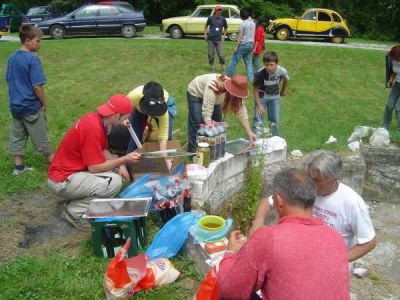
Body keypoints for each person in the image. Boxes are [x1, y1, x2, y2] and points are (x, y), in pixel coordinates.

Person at [219, 168, 350, 300]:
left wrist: (231, 253)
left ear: (279, 201)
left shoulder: (268, 238)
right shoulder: (336, 238)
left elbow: (230, 290)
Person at [48, 94, 142, 229]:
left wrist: (120, 165)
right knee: (114, 182)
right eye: (126, 116)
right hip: (62, 180)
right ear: (116, 116)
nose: (127, 120)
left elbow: (103, 150)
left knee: (113, 171)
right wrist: (125, 159)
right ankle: (74, 212)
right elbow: (94, 168)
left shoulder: (97, 120)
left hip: (67, 174)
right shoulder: (93, 128)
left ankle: (77, 198)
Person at [304, 150, 377, 261]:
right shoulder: (306, 189)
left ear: (334, 178)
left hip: (331, 266)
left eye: (317, 180)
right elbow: (271, 201)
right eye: (309, 177)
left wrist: (338, 261)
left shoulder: (352, 202)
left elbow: (369, 242)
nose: (311, 183)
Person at [6, 25, 53, 176]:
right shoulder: (33, 59)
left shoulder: (12, 57)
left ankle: (18, 168)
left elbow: (9, 79)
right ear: (27, 41)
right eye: (37, 41)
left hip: (16, 105)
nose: (40, 44)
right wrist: (44, 103)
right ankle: (54, 163)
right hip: (30, 106)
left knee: (18, 134)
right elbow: (37, 86)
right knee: (41, 134)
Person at [187, 73, 256, 153]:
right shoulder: (214, 85)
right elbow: (207, 113)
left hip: (215, 99)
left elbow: (242, 111)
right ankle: (194, 152)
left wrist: (249, 132)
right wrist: (209, 127)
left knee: (217, 124)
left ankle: (213, 151)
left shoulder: (236, 92)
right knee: (197, 122)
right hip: (196, 92)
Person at [120, 81, 176, 153]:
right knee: (136, 133)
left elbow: (163, 137)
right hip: (139, 107)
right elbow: (122, 109)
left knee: (168, 137)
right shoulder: (134, 96)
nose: (152, 114)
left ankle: (167, 159)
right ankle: (130, 159)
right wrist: (124, 119)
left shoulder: (163, 112)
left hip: (165, 104)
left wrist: (163, 157)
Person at [252, 51, 289, 137]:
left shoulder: (282, 71)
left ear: (276, 64)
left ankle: (274, 141)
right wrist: (259, 105)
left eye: (271, 65)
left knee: (275, 120)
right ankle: (256, 142)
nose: (269, 67)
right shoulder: (259, 73)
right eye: (267, 64)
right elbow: (255, 90)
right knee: (258, 120)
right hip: (261, 98)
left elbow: (286, 80)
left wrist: (282, 91)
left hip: (275, 98)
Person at [225, 8, 255, 82]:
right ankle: (251, 78)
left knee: (234, 60)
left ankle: (228, 75)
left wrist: (236, 46)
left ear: (241, 16)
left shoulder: (243, 24)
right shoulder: (253, 23)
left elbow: (240, 36)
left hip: (243, 44)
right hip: (251, 44)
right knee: (248, 62)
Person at [382, 45, 400, 138]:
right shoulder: (393, 59)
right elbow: (395, 71)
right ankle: (385, 127)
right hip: (397, 84)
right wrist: (391, 80)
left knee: (398, 108)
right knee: (389, 105)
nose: (396, 60)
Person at [204, 5, 227, 73]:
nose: (219, 11)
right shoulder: (210, 18)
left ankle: (223, 66)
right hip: (211, 39)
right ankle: (212, 67)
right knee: (210, 54)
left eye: (220, 10)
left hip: (219, 40)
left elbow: (226, 29)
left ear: (221, 11)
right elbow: (205, 26)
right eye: (217, 10)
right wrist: (205, 35)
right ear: (215, 11)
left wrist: (223, 37)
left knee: (221, 55)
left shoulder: (223, 19)